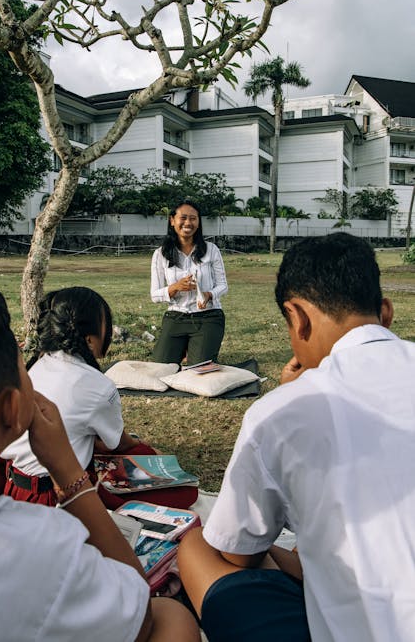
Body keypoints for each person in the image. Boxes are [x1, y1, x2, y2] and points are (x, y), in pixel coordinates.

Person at [0, 277, 200, 642]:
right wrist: (69, 471)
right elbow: (139, 612)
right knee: (172, 619)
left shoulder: (43, 368)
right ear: (13, 408)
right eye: (21, 368)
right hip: (58, 494)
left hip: (19, 484)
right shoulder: (36, 542)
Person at [178, 233, 415, 642]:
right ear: (386, 312)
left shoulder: (282, 413)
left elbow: (238, 553)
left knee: (197, 546)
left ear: (298, 317)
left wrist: (287, 399)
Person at [2, 286, 198, 509]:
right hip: (59, 496)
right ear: (90, 338)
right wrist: (148, 449)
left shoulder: (38, 363)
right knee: (183, 491)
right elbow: (117, 444)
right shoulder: (97, 385)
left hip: (15, 487)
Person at [151, 200, 228, 366]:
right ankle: (185, 346)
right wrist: (175, 287)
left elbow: (223, 286)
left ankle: (196, 347)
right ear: (172, 220)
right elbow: (154, 295)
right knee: (161, 368)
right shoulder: (160, 254)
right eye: (183, 218)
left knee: (198, 368)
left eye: (193, 218)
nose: (188, 223)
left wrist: (209, 295)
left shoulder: (211, 250)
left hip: (208, 316)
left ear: (198, 222)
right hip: (176, 316)